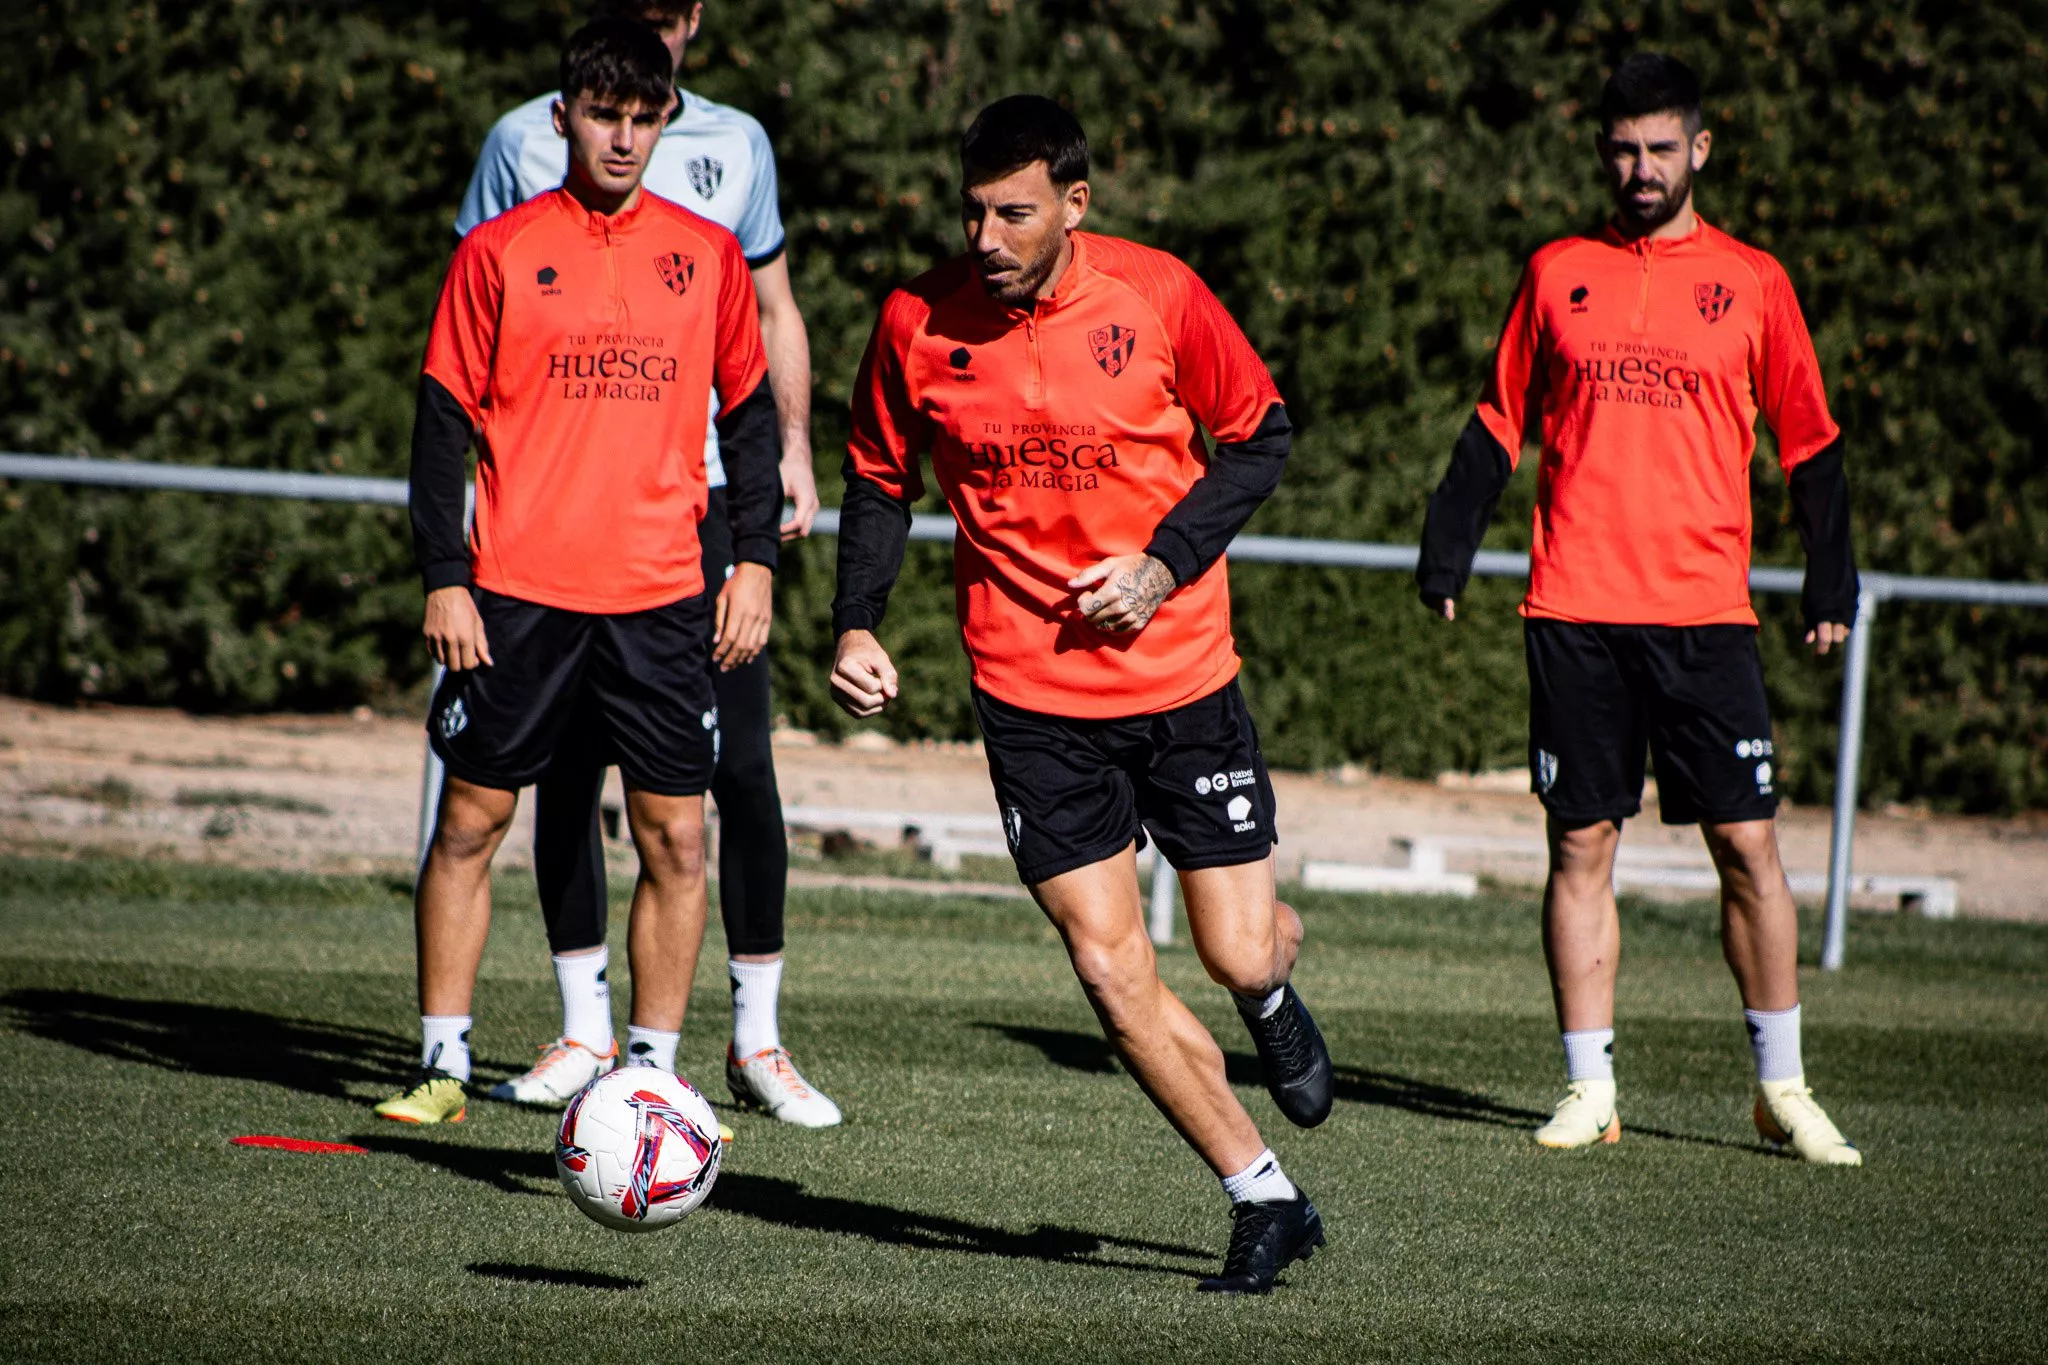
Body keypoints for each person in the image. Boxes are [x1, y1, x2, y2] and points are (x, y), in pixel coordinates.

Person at [831, 95, 1335, 1293]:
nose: (986, 236)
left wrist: (1161, 566)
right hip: (1028, 695)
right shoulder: (914, 319)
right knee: (1110, 970)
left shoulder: (1159, 296)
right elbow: (872, 479)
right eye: (971, 211)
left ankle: (1268, 984)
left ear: (1074, 203)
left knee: (1234, 950)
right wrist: (857, 620)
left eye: (1012, 212)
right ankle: (1261, 1196)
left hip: (1181, 681)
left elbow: (1260, 438)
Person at [1416, 53, 1862, 1165]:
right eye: (1622, 149)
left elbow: (1808, 443)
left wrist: (1829, 577)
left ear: (1697, 151)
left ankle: (1781, 1086)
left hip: (1704, 616)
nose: (1640, 168)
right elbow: (1493, 420)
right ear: (1600, 152)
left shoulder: (1753, 282)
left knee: (1748, 847)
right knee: (1580, 845)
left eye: (1661, 148)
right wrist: (1446, 547)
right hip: (1573, 605)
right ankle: (1586, 1088)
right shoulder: (1556, 270)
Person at [376, 17, 781, 1125]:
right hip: (513, 592)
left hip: (661, 594)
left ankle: (648, 1072)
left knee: (676, 838)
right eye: (602, 116)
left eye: (643, 120)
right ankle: (442, 1066)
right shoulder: (496, 251)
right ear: (562, 120)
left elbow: (747, 423)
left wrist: (751, 565)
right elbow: (438, 423)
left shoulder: (704, 256)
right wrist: (444, 574)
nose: (622, 139)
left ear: (663, 122)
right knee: (468, 823)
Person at [454, 0, 839, 1126]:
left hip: (708, 494)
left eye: (672, 12)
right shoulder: (521, 140)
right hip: (564, 509)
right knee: (566, 769)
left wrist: (793, 459)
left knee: (738, 768)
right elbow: (478, 318)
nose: (655, 31)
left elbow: (772, 310)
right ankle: (586, 1030)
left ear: (695, 20)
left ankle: (753, 1044)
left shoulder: (736, 143)